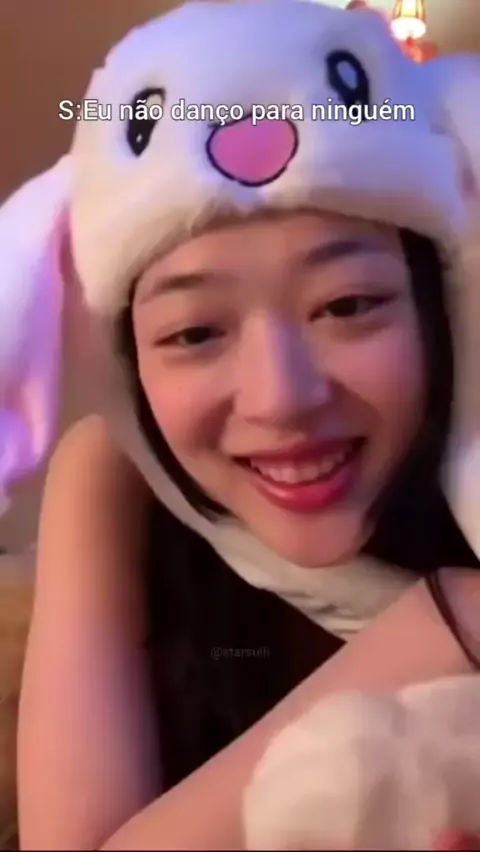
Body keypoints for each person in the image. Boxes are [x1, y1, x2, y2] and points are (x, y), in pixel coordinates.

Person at [9, 0, 480, 848]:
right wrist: (446, 625)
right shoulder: (112, 478)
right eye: (195, 332)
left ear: (439, 309)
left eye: (347, 305)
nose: (280, 398)